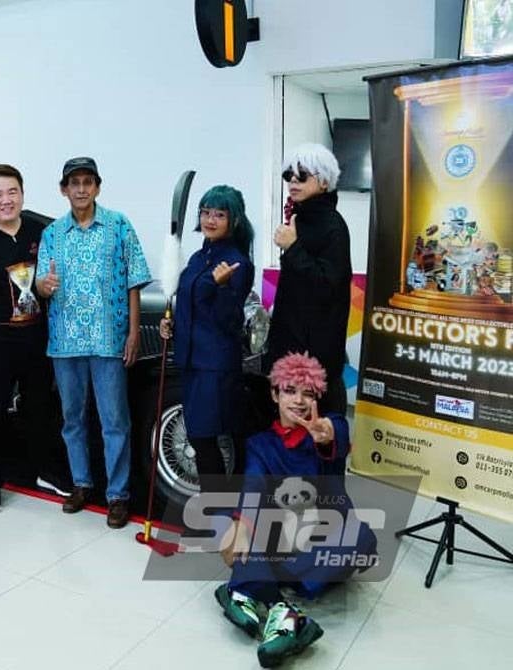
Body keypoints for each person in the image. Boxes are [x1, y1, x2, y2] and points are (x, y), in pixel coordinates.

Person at [214, 352, 376, 667]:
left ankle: (247, 591)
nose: (299, 401)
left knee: (362, 539)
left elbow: (336, 437)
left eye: (308, 393)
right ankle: (285, 615)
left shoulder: (332, 427)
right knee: (224, 520)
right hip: (282, 539)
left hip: (320, 540)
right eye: (290, 391)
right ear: (274, 395)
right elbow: (253, 486)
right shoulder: (260, 444)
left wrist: (325, 434)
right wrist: (242, 525)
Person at [35, 157, 151, 529]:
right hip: (65, 341)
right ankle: (81, 484)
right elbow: (36, 284)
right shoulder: (52, 234)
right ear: (63, 189)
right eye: (74, 183)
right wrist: (43, 287)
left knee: (115, 420)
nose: (81, 189)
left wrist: (133, 333)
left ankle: (117, 495)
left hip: (108, 341)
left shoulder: (118, 226)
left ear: (98, 187)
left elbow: (135, 280)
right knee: (73, 419)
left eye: (88, 182)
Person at [0, 163, 70, 513]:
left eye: (12, 192)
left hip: (36, 338)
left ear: (22, 194)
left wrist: (48, 287)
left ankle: (44, 471)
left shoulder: (42, 232)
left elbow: (51, 276)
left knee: (40, 407)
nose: (6, 200)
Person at [159, 185, 254, 498]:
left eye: (220, 214)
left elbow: (229, 320)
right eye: (206, 212)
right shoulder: (201, 256)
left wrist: (222, 287)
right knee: (202, 437)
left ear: (234, 220)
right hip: (190, 359)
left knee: (204, 438)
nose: (211, 219)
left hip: (214, 365)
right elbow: (190, 301)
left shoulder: (237, 262)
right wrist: (169, 323)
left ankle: (219, 512)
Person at [265, 143, 351, 415]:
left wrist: (293, 248)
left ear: (324, 181)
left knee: (315, 431)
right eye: (288, 174)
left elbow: (328, 287)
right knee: (287, 430)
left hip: (315, 356)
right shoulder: (299, 219)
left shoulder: (333, 225)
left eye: (302, 175)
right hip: (289, 346)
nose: (293, 180)